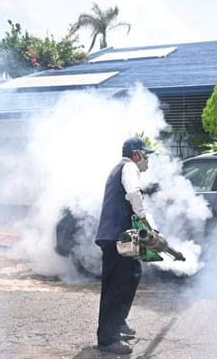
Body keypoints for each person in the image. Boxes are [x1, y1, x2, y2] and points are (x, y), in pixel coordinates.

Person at [95, 137, 155, 354]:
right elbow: (133, 193)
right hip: (116, 238)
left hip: (118, 238)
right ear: (136, 153)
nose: (146, 159)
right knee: (116, 287)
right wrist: (145, 219)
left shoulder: (121, 167)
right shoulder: (128, 166)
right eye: (145, 154)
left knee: (132, 274)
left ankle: (118, 322)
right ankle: (108, 339)